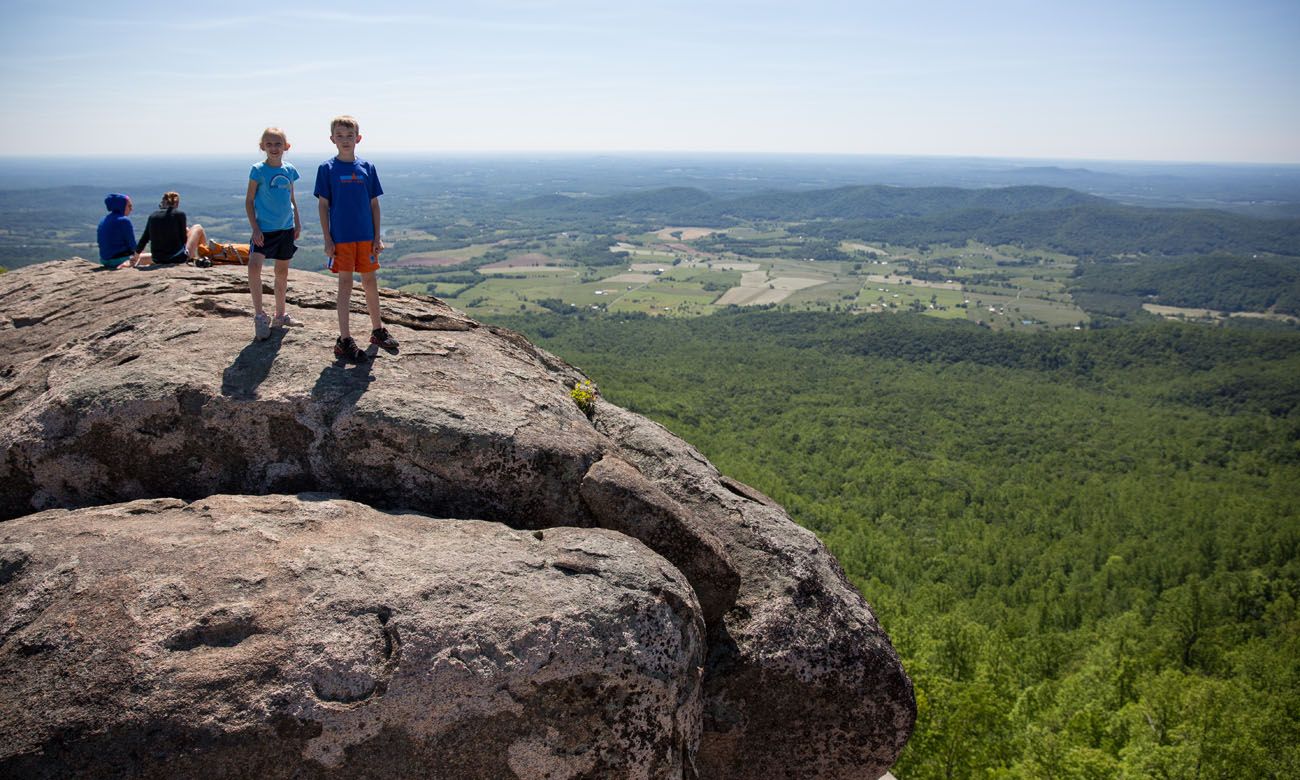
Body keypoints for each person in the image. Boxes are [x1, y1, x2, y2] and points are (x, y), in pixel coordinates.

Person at [314, 115, 399, 363]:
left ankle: (377, 330)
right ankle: (344, 340)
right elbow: (323, 205)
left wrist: (377, 236)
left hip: (365, 236)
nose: (345, 140)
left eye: (349, 135)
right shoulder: (327, 169)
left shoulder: (367, 168)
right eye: (339, 136)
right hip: (341, 238)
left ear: (358, 138)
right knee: (345, 285)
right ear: (332, 139)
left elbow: (374, 204)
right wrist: (327, 239)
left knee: (370, 282)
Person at [245, 127, 303, 340]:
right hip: (265, 231)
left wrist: (297, 222)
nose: (274, 148)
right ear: (262, 147)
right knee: (254, 267)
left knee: (282, 272)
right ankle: (260, 316)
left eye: (278, 144)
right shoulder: (258, 170)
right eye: (269, 144)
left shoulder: (289, 170)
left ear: (286, 147)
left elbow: (291, 199)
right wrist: (255, 228)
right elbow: (249, 201)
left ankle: (280, 315)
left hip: (285, 229)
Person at [134, 192, 206, 266]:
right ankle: (206, 257)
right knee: (198, 227)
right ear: (176, 204)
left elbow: (144, 238)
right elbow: (183, 240)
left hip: (157, 259)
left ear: (162, 203)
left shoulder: (153, 216)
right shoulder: (180, 214)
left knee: (143, 257)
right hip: (178, 258)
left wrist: (136, 254)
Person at [96, 193, 137, 270]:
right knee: (153, 257)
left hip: (104, 260)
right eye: (129, 206)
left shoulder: (103, 220)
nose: (131, 209)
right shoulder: (124, 220)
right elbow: (133, 246)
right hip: (118, 260)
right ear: (121, 206)